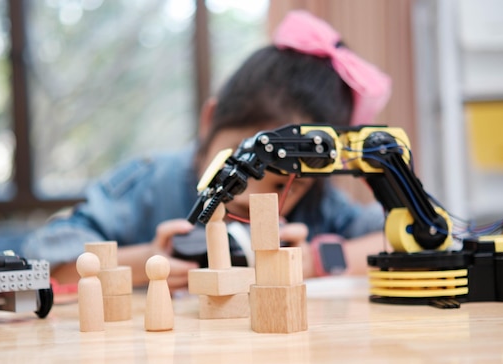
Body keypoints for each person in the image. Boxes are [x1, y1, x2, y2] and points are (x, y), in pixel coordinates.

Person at [22, 10, 392, 292]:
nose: (252, 195)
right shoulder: (149, 184)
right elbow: (45, 260)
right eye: (244, 164)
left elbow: (404, 237)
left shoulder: (318, 205)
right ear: (210, 120)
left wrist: (310, 261)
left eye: (285, 186)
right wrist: (149, 261)